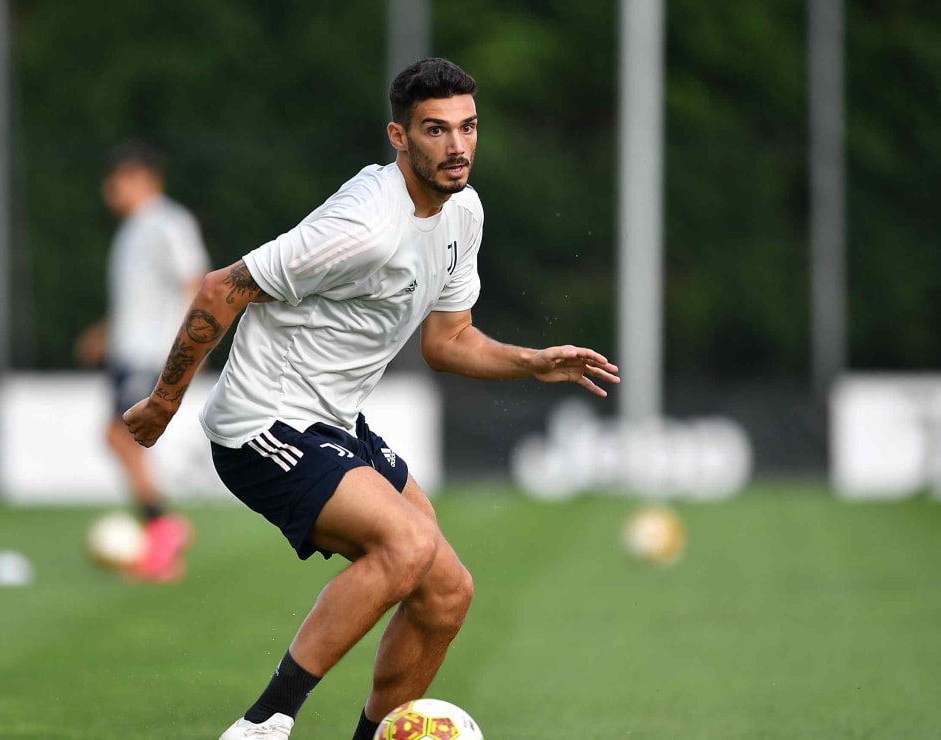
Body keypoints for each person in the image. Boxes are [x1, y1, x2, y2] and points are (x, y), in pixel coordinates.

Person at [123, 58, 620, 739]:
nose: (457, 145)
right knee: (406, 542)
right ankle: (263, 724)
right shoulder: (362, 225)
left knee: (447, 593)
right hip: (262, 422)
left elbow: (448, 340)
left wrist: (530, 362)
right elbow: (222, 288)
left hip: (334, 422)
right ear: (399, 136)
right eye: (436, 130)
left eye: (468, 127)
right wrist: (164, 401)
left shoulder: (463, 212)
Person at [75, 140, 210, 582]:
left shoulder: (167, 222)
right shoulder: (133, 229)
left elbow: (194, 280)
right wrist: (106, 333)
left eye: (118, 178)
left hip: (152, 355)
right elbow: (142, 299)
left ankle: (163, 531)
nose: (110, 188)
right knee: (120, 438)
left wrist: (191, 347)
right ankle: (161, 529)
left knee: (120, 435)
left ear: (142, 177)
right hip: (130, 352)